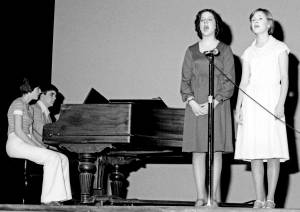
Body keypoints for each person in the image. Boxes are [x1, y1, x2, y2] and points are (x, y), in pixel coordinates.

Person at [234, 8, 289, 209]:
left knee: (273, 151)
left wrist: (280, 103)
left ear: (269, 24)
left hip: (272, 101)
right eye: (253, 19)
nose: (255, 21)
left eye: (260, 18)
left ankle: (271, 198)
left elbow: (285, 79)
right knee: (256, 153)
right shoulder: (248, 52)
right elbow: (243, 81)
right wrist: (238, 107)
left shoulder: (279, 48)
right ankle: (259, 197)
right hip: (252, 104)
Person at [180, 9, 235, 207]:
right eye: (202, 20)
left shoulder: (225, 50)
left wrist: (216, 102)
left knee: (216, 151)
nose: (205, 23)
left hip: (218, 106)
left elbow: (230, 82)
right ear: (198, 25)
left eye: (209, 19)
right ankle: (200, 196)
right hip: (196, 107)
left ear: (216, 25)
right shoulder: (191, 51)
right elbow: (185, 82)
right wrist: (192, 102)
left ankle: (213, 197)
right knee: (198, 151)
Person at [6, 77, 72, 205]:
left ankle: (59, 197)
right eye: (38, 89)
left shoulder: (28, 108)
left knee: (62, 158)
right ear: (30, 89)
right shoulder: (18, 103)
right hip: (15, 142)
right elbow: (19, 131)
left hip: (25, 141)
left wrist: (39, 146)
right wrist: (37, 147)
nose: (39, 91)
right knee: (52, 158)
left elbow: (30, 134)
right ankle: (47, 200)